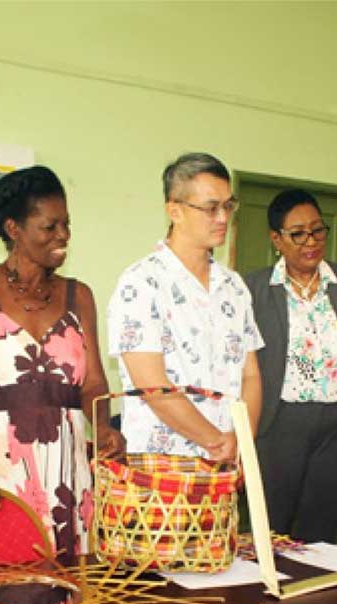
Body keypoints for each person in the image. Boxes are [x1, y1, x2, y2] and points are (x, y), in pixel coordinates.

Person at [0, 166, 121, 557]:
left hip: (66, 472)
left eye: (67, 225)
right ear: (13, 228)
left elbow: (92, 384)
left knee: (64, 594)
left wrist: (104, 427)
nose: (63, 236)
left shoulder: (80, 296)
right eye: (49, 226)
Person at [107, 152, 263, 460]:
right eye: (210, 208)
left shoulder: (234, 287)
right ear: (174, 211)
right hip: (161, 468)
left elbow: (251, 376)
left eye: (228, 206)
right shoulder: (140, 283)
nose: (223, 218)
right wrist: (217, 441)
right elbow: (152, 384)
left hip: (225, 466)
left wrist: (242, 440)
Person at [244, 189, 337, 542]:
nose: (310, 242)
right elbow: (238, 369)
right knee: (270, 529)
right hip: (278, 424)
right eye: (297, 234)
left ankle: (314, 598)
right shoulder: (252, 290)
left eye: (318, 231)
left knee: (321, 531)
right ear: (276, 239)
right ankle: (263, 596)